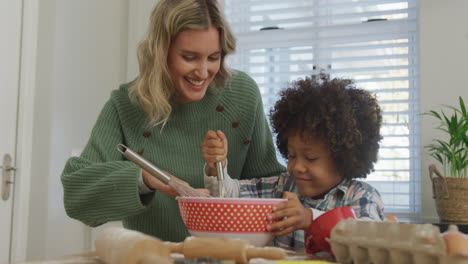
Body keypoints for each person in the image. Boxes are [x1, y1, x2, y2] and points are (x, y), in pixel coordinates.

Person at [61, 0, 285, 243]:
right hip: (153, 257)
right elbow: (76, 195)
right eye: (189, 57)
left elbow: (272, 188)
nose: (202, 72)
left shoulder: (243, 94)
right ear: (161, 51)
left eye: (213, 57)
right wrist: (144, 179)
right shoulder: (126, 105)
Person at [202, 73, 385, 250]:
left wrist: (310, 219)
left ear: (343, 158)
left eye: (311, 158)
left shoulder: (362, 196)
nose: (297, 167)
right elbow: (229, 196)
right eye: (291, 155)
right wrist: (217, 166)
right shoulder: (282, 187)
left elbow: (366, 242)